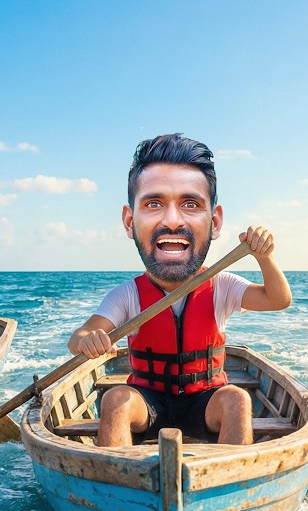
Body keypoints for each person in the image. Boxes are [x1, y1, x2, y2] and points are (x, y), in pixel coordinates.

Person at [68, 133, 292, 446]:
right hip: (148, 403)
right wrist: (87, 340)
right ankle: (116, 471)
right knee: (115, 399)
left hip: (205, 401)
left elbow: (278, 299)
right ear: (130, 221)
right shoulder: (127, 295)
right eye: (154, 203)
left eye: (190, 204)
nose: (172, 221)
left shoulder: (222, 286)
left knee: (237, 400)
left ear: (215, 222)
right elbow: (78, 337)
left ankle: (229, 471)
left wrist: (264, 258)